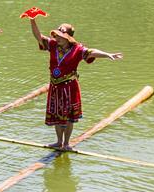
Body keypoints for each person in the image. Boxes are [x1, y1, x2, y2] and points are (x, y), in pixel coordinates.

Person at [29, 18, 122, 149]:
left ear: (69, 38)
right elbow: (38, 36)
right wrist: (32, 21)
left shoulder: (77, 50)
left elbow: (91, 52)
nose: (57, 38)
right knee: (56, 115)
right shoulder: (53, 45)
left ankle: (66, 143)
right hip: (55, 86)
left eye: (61, 36)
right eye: (57, 35)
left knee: (68, 118)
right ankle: (58, 141)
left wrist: (107, 55)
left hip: (69, 87)